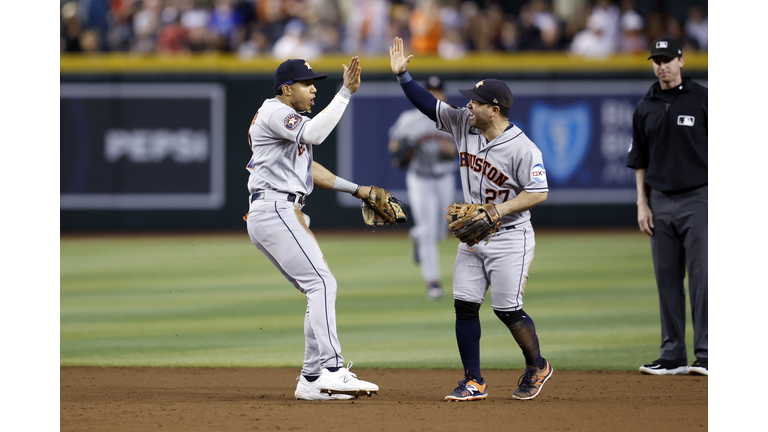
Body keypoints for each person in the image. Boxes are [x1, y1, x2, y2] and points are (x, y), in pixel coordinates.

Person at [389, 37, 553, 401]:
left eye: (475, 101)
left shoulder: (524, 148)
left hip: (511, 235)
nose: (468, 104)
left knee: (507, 311)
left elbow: (539, 192)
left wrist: (498, 209)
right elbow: (429, 105)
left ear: (494, 109)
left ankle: (538, 366)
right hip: (475, 236)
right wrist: (403, 77)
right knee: (464, 304)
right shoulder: (464, 123)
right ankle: (473, 380)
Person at [244, 57, 380, 400]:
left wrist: (358, 190)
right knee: (322, 283)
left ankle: (310, 379)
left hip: (280, 208)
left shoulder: (288, 121)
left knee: (315, 287)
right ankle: (333, 370)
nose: (314, 88)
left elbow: (310, 170)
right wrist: (346, 92)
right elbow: (317, 133)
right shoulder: (276, 111)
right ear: (286, 89)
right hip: (274, 207)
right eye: (307, 84)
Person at [626, 38, 708, 376]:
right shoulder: (647, 105)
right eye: (656, 60)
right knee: (667, 279)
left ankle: (708, 354)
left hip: (699, 197)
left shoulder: (703, 98)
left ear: (681, 61)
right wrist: (642, 203)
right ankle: (672, 354)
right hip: (659, 200)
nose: (662, 65)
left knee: (704, 278)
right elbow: (639, 160)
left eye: (667, 59)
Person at [388, 75, 457, 300]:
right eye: (430, 91)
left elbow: (466, 149)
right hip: (419, 179)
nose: (434, 95)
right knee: (429, 231)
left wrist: (453, 151)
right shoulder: (409, 119)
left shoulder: (454, 118)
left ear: (444, 95)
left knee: (439, 233)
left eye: (438, 91)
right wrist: (402, 150)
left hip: (444, 177)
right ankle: (433, 283)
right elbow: (394, 146)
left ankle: (416, 236)